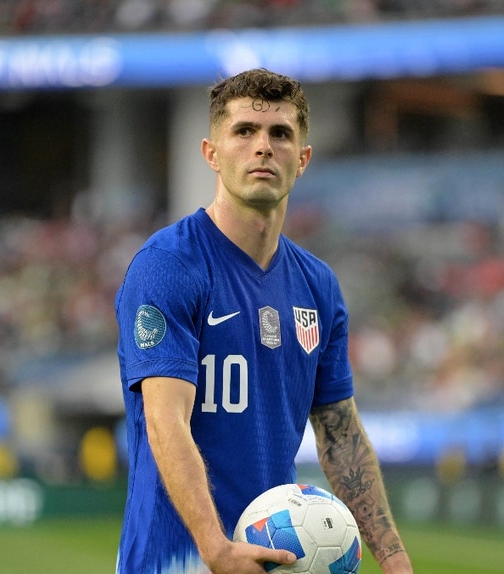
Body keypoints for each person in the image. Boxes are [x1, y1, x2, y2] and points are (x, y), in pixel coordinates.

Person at [114, 68, 413, 574]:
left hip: (275, 559)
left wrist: (393, 556)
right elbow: (167, 421)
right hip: (176, 560)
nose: (263, 147)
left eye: (280, 134)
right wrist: (215, 548)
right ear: (211, 153)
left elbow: (340, 435)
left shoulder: (318, 286)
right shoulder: (168, 265)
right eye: (244, 131)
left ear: (303, 159)